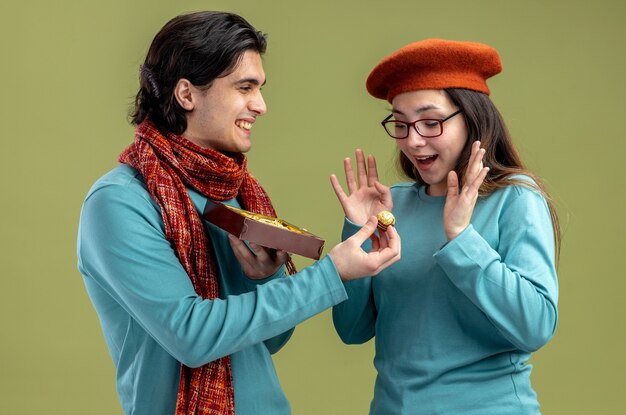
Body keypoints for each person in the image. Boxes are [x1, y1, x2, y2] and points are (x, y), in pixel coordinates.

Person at [77, 11, 400, 415]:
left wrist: (261, 280)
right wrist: (330, 273)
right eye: (245, 87)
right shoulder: (119, 202)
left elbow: (267, 342)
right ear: (186, 94)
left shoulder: (234, 191)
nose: (261, 106)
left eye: (260, 89)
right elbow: (191, 336)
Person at [330, 38, 560, 414]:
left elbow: (535, 326)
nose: (413, 140)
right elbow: (351, 330)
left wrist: (462, 237)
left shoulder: (515, 198)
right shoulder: (393, 206)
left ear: (471, 117)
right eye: (401, 124)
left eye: (431, 122)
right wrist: (357, 233)